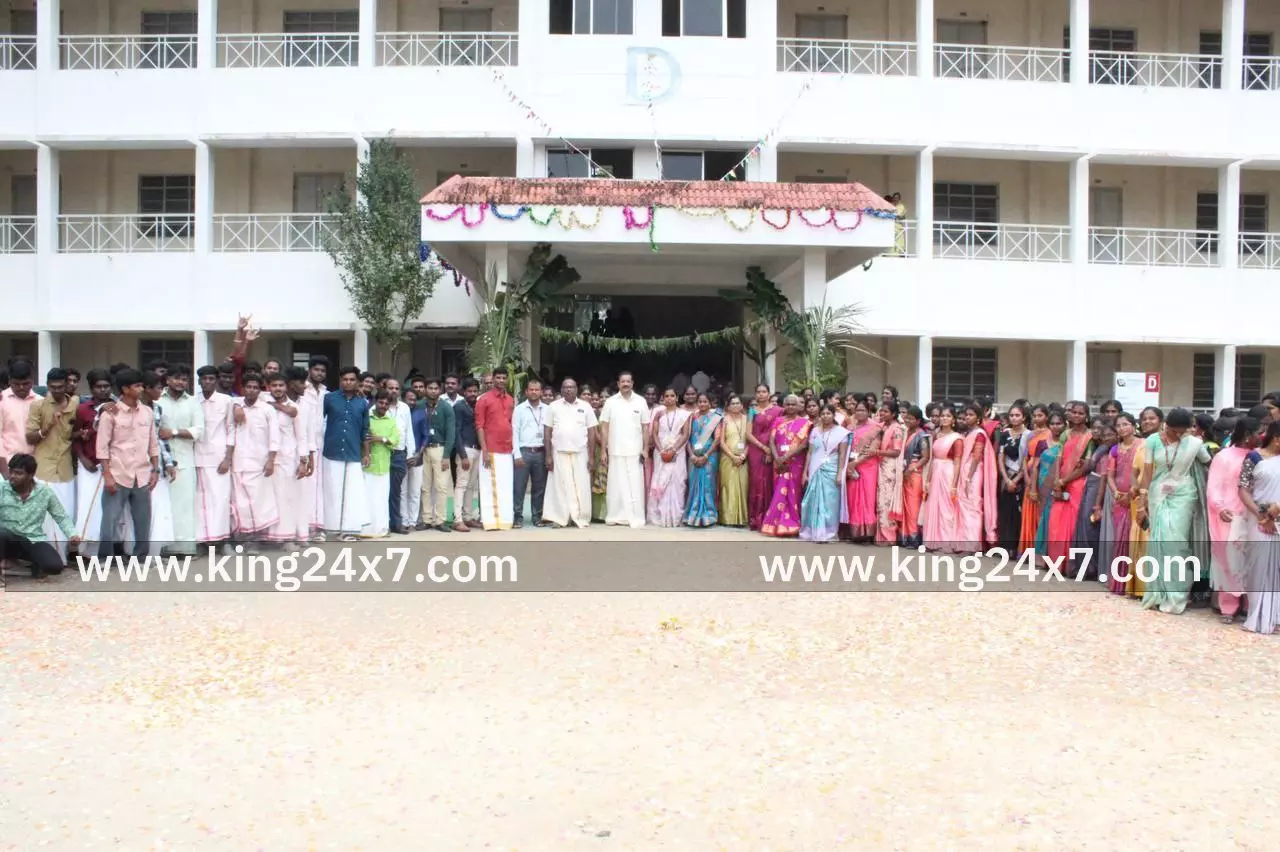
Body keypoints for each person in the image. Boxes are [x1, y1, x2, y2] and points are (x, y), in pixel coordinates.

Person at [1137, 408, 1211, 614]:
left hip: (1184, 495)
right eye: (1174, 431)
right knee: (1158, 542)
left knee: (1176, 543)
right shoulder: (1152, 441)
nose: (1178, 435)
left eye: (1182, 431)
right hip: (1158, 495)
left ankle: (1177, 595)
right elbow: (1147, 473)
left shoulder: (1194, 443)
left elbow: (1209, 463)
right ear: (1166, 425)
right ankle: (1158, 594)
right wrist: (1142, 504)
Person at [94, 369, 159, 558]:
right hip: (118, 474)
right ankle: (104, 558)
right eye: (137, 386)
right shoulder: (110, 413)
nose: (141, 389)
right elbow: (102, 448)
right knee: (110, 520)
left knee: (143, 521)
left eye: (141, 385)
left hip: (142, 474)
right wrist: (107, 475)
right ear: (125, 389)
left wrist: (155, 470)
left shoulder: (147, 412)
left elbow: (153, 444)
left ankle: (141, 557)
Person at [1206, 416, 1257, 622]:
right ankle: (1228, 606)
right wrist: (1219, 507)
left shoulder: (1260, 456)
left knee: (1251, 560)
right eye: (1259, 432)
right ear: (1247, 434)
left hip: (1253, 514)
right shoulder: (1224, 456)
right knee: (1228, 560)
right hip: (1228, 514)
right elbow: (1214, 485)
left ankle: (1249, 604)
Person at [25, 368, 78, 559]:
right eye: (52, 387)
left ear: (66, 385)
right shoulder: (38, 406)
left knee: (65, 513)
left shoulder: (75, 403)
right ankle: (50, 558)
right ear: (47, 386)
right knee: (47, 517)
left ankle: (63, 557)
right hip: (44, 467)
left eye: (60, 387)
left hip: (65, 468)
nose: (56, 391)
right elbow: (30, 437)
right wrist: (48, 426)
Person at [0, 453, 80, 578]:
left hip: (33, 539)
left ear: (31, 475)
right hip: (7, 539)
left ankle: (22, 563)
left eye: (18, 473)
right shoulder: (2, 489)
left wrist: (72, 534)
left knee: (54, 566)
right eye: (11, 472)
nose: (12, 476)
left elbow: (61, 516)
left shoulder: (45, 492)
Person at [156, 365, 203, 556]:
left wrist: (173, 432)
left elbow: (198, 431)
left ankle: (184, 548)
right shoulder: (157, 400)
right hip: (160, 462)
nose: (180, 382)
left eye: (184, 379)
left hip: (185, 461)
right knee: (163, 506)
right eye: (176, 378)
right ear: (167, 380)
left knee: (184, 506)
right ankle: (162, 547)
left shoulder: (192, 402)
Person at [1239, 420, 1280, 634]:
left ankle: (1277, 618)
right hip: (1257, 518)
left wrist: (1275, 512)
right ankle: (1259, 616)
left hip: (1278, 515)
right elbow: (1243, 489)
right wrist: (1261, 515)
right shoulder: (1254, 457)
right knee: (1258, 566)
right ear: (1276, 439)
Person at [322, 366, 371, 541]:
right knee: (331, 491)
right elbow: (318, 423)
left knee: (351, 494)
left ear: (357, 382)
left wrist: (366, 453)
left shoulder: (362, 403)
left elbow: (365, 430)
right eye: (345, 379)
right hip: (331, 451)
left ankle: (348, 530)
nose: (348, 382)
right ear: (340, 381)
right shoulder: (329, 399)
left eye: (352, 380)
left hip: (353, 453)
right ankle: (329, 528)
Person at [229, 374, 280, 542]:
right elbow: (231, 432)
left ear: (260, 390)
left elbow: (274, 437)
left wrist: (271, 460)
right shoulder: (235, 405)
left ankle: (255, 538)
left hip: (259, 463)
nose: (252, 390)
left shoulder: (267, 409)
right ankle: (245, 536)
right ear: (243, 389)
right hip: (238, 462)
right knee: (241, 503)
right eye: (249, 387)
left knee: (258, 502)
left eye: (255, 388)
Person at [542, 377, 597, 529]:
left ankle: (580, 517)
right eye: (565, 387)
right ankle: (561, 518)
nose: (568, 389)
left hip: (580, 453)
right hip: (559, 452)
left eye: (571, 387)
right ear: (561, 390)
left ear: (576, 389)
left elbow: (592, 432)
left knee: (581, 486)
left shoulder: (585, 406)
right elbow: (547, 431)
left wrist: (592, 456)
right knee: (560, 488)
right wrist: (548, 455)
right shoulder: (553, 406)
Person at [600, 371, 651, 528]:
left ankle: (635, 516)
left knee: (635, 485)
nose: (625, 384)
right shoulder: (610, 402)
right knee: (615, 486)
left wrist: (645, 449)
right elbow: (604, 427)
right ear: (618, 384)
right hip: (615, 450)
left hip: (635, 451)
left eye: (628, 381)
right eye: (623, 381)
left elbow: (645, 427)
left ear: (632, 383)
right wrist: (603, 450)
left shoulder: (641, 401)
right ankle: (615, 516)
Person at [267, 370, 311, 547]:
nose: (277, 388)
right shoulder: (263, 403)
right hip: (269, 460)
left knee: (291, 499)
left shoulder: (294, 407)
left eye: (281, 385)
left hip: (289, 459)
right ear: (268, 387)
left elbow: (301, 436)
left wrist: (303, 461)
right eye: (274, 385)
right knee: (274, 499)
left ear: (286, 387)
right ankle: (276, 537)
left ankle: (291, 537)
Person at [194, 364, 235, 550]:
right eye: (204, 379)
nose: (208, 382)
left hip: (219, 459)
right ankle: (203, 541)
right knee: (200, 502)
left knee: (221, 500)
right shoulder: (193, 401)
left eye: (211, 379)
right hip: (196, 457)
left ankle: (223, 541)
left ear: (216, 381)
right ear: (199, 381)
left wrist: (228, 458)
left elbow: (231, 430)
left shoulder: (226, 401)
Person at [1046, 402, 1092, 564]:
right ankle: (1056, 562)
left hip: (1077, 482)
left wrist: (1064, 480)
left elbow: (1086, 466)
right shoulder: (1066, 434)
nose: (1077, 416)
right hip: (1060, 480)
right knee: (1055, 521)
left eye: (1081, 413)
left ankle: (1070, 564)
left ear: (1087, 416)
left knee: (1072, 523)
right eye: (1074, 412)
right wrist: (1057, 480)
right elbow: (1059, 458)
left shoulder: (1090, 436)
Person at [72, 370, 114, 545]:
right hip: (88, 464)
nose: (103, 390)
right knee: (87, 505)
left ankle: (108, 547)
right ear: (91, 388)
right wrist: (82, 459)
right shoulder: (83, 409)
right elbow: (73, 437)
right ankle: (84, 548)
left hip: (112, 465)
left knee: (108, 508)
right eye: (98, 387)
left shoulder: (117, 408)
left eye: (106, 386)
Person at [760, 395, 810, 538]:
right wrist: (777, 458)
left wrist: (785, 457)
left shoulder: (804, 423)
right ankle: (775, 524)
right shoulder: (778, 421)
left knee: (793, 493)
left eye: (793, 404)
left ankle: (791, 525)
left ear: (798, 406)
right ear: (784, 405)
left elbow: (803, 445)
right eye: (788, 404)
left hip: (795, 463)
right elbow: (771, 441)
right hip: (779, 463)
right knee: (779, 491)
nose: (790, 407)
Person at [1101, 413, 1140, 595]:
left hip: (1137, 497)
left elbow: (1144, 472)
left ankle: (1135, 583)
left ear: (1133, 425)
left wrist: (1132, 492)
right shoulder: (1115, 449)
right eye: (1118, 425)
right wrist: (1116, 493)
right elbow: (1110, 475)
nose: (1122, 428)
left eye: (1125, 424)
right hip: (1119, 500)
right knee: (1120, 539)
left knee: (1135, 539)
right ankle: (1119, 582)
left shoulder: (1142, 445)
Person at [799, 404, 850, 542]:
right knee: (811, 501)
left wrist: (840, 473)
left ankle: (828, 533)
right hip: (815, 469)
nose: (825, 416)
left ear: (833, 415)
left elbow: (842, 454)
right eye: (823, 414)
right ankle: (811, 532)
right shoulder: (815, 431)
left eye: (828, 413)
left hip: (832, 469)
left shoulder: (841, 433)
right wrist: (805, 473)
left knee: (830, 502)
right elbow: (810, 453)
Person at [475, 366, 516, 531]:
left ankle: (505, 520)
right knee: (489, 486)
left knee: (505, 486)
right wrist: (484, 450)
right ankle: (490, 521)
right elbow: (479, 426)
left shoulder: (510, 400)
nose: (501, 381)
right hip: (490, 449)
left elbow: (511, 424)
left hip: (507, 449)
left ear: (507, 380)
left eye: (503, 378)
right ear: (493, 379)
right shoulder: (483, 399)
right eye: (498, 378)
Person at [954, 403, 997, 552]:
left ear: (978, 418)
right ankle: (963, 543)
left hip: (973, 472)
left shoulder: (979, 434)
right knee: (963, 507)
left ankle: (972, 546)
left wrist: (968, 478)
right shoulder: (969, 433)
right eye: (966, 415)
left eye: (971, 415)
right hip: (965, 470)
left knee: (973, 507)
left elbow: (977, 457)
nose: (967, 417)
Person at [414, 377, 455, 533]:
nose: (433, 391)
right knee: (425, 487)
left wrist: (446, 455)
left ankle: (440, 520)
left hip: (440, 449)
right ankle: (426, 520)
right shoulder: (419, 405)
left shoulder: (446, 407)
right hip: (423, 450)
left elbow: (451, 433)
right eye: (430, 388)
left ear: (440, 390)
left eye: (435, 388)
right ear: (425, 389)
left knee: (441, 487)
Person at [1078, 419, 1118, 577]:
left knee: (1093, 526)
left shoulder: (1113, 451)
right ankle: (1089, 566)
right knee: (1088, 525)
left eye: (1110, 434)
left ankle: (1095, 567)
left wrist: (1097, 504)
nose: (1106, 437)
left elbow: (1104, 476)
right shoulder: (1101, 448)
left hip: (1102, 489)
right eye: (1104, 434)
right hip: (1093, 485)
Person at [922, 405, 963, 551]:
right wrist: (928, 480)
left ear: (953, 420)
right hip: (935, 471)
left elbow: (957, 462)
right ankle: (933, 541)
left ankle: (946, 543)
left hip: (948, 472)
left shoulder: (957, 438)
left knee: (946, 508)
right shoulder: (936, 435)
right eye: (942, 416)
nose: (944, 418)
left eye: (948, 416)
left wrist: (954, 484)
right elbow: (932, 459)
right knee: (934, 506)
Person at [648, 388, 691, 528]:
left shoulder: (684, 414)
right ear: (663, 398)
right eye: (666, 396)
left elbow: (685, 434)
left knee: (677, 483)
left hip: (677, 452)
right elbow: (654, 434)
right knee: (660, 481)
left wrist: (673, 450)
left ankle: (675, 517)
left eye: (672, 396)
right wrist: (661, 450)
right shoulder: (658, 413)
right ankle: (660, 516)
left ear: (677, 398)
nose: (669, 398)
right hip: (660, 452)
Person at [840, 400, 880, 542]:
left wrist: (855, 463)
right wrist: (849, 465)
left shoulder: (875, 428)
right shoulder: (850, 428)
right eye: (857, 410)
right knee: (852, 498)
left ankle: (867, 533)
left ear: (869, 412)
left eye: (863, 410)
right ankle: (855, 532)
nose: (860, 413)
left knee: (867, 498)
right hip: (851, 466)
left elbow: (873, 449)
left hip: (867, 466)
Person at [512, 378, 549, 529]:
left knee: (539, 487)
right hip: (524, 452)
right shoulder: (519, 409)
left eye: (536, 390)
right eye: (531, 390)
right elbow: (514, 432)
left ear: (541, 392)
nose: (534, 392)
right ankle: (517, 517)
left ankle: (537, 517)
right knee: (519, 487)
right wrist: (517, 454)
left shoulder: (547, 409)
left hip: (541, 452)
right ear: (526, 392)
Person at [363, 390, 399, 538]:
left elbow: (394, 441)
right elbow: (363, 437)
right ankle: (365, 530)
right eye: (381, 402)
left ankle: (381, 529)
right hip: (367, 465)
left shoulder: (391, 421)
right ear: (375, 402)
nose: (383, 405)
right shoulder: (367, 418)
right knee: (367, 498)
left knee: (382, 499)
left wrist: (380, 438)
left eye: (386, 404)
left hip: (384, 466)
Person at [747, 385, 782, 531]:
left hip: (772, 449)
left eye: (764, 392)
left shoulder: (778, 411)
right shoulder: (752, 411)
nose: (761, 394)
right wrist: (762, 447)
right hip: (756, 450)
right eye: (758, 392)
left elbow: (779, 431)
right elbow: (748, 434)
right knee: (756, 483)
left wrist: (770, 451)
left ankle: (769, 518)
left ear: (769, 394)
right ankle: (755, 519)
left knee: (769, 482)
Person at [683, 392, 722, 528]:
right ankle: (692, 515)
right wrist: (692, 455)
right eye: (700, 401)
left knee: (708, 485)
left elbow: (717, 439)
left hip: (710, 456)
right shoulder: (692, 417)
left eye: (705, 401)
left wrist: (706, 456)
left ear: (710, 403)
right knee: (694, 485)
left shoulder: (715, 418)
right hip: (694, 456)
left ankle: (708, 516)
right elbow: (687, 437)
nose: (702, 404)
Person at [994, 403, 1028, 553]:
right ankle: (1005, 546)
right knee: (1005, 511)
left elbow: (1027, 459)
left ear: (1024, 417)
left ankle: (1015, 547)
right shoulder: (1005, 434)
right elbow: (1000, 456)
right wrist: (1007, 479)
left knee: (1018, 512)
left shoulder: (1028, 435)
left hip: (1021, 478)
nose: (1014, 418)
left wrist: (1016, 479)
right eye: (1012, 415)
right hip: (1006, 477)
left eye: (1017, 415)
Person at [0, 360, 42, 477]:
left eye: (25, 383)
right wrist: (5, 470)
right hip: (8, 466)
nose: (21, 387)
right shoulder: (1, 401)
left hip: (37, 467)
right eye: (16, 384)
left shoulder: (41, 402)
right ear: (9, 381)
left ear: (32, 380)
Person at [385, 377, 415, 535]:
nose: (394, 391)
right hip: (382, 453)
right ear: (385, 389)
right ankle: (382, 523)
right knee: (382, 490)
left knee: (396, 491)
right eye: (391, 388)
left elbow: (408, 431)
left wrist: (410, 453)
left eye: (396, 388)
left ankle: (396, 524)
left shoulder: (404, 408)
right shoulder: (378, 407)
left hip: (399, 454)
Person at [450, 378, 481, 532]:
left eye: (475, 391)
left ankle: (467, 517)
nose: (472, 394)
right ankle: (457, 519)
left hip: (477, 449)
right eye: (469, 391)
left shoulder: (478, 405)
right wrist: (462, 455)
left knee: (471, 485)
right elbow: (456, 432)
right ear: (463, 392)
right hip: (465, 450)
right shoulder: (459, 407)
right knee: (461, 485)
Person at [874, 400, 906, 546]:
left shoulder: (897, 429)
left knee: (887, 501)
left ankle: (889, 536)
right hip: (882, 465)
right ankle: (881, 535)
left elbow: (896, 451)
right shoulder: (883, 426)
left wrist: (877, 452)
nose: (882, 413)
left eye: (886, 411)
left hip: (890, 467)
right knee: (881, 502)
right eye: (881, 410)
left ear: (893, 414)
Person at [899, 406, 931, 548]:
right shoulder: (905, 432)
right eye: (907, 418)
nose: (908, 421)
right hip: (903, 470)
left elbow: (925, 457)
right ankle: (904, 537)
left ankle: (914, 538)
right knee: (904, 506)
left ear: (918, 421)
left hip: (914, 473)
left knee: (913, 507)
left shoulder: (921, 435)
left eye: (911, 419)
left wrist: (912, 468)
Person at [718, 394, 749, 527]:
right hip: (728, 458)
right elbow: (721, 442)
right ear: (728, 406)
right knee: (728, 486)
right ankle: (727, 518)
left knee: (743, 486)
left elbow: (750, 439)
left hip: (743, 458)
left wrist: (743, 456)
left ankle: (742, 518)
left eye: (738, 403)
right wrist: (733, 456)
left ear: (742, 405)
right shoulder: (724, 420)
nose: (735, 406)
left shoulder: (747, 419)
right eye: (733, 403)